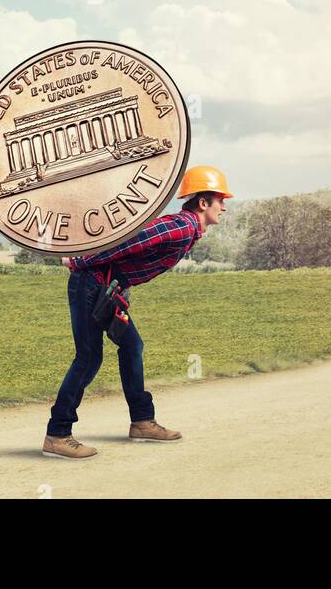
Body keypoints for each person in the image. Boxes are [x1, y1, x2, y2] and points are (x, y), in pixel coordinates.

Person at [42, 165, 233, 459]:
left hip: (106, 287)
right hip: (90, 282)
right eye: (221, 199)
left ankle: (142, 422)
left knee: (132, 345)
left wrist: (120, 287)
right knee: (89, 357)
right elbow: (131, 241)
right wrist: (80, 260)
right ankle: (57, 433)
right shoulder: (181, 227)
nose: (224, 205)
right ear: (204, 202)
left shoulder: (189, 230)